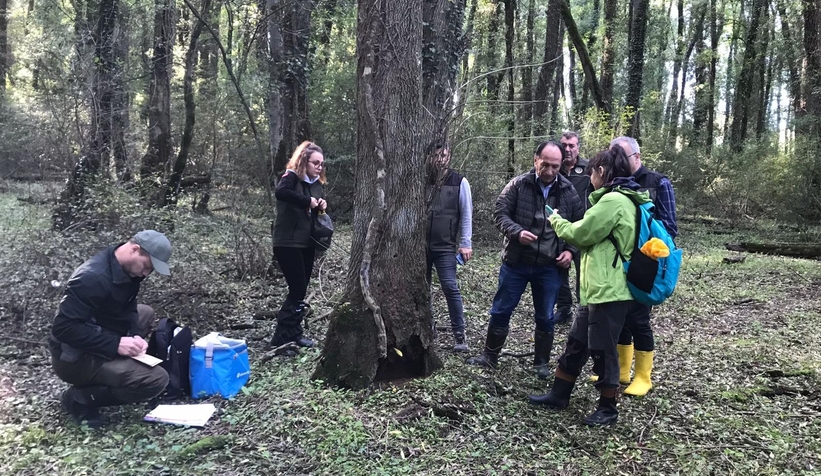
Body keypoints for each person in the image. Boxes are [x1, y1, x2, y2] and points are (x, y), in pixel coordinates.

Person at [529, 147, 651, 426]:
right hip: (598, 288)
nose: (589, 177)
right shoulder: (620, 198)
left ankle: (608, 408)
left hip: (610, 290)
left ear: (600, 172)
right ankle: (559, 394)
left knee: (602, 349)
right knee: (577, 342)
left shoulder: (614, 201)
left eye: (591, 172)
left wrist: (556, 220)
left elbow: (582, 234)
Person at [467, 141, 584, 378]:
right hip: (517, 262)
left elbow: (580, 225)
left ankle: (541, 363)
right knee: (501, 310)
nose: (550, 171)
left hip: (550, 266)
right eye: (545, 165)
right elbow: (499, 213)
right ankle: (489, 357)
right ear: (535, 160)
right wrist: (516, 232)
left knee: (545, 316)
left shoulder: (568, 191)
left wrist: (570, 251)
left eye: (555, 166)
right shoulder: (519, 185)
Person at [50, 230, 172, 427]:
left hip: (99, 333)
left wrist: (133, 336)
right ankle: (80, 398)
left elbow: (129, 308)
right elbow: (64, 329)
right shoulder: (91, 278)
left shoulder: (125, 269)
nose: (146, 274)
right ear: (135, 249)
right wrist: (116, 344)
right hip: (73, 359)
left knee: (145, 313)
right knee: (157, 379)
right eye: (147, 267)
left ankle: (116, 366)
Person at [609, 136, 678, 396]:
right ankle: (623, 370)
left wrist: (647, 247)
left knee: (639, 319)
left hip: (645, 261)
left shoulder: (658, 183)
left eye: (621, 155)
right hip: (618, 262)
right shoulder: (613, 184)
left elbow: (669, 228)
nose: (616, 160)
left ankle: (643, 376)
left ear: (637, 157)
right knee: (621, 317)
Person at [270, 141, 328, 350]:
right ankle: (283, 335)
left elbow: (312, 210)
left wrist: (320, 205)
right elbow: (281, 193)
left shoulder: (315, 184)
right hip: (287, 243)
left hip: (306, 243)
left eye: (321, 164)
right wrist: (307, 201)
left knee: (300, 290)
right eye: (315, 163)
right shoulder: (291, 177)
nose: (319, 167)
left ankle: (292, 333)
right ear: (304, 161)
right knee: (297, 289)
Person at [425, 140, 473, 352]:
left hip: (445, 246)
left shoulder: (459, 181)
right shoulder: (421, 181)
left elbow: (466, 215)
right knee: (421, 289)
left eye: (443, 155)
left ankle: (459, 335)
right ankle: (427, 329)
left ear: (449, 156)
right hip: (419, 247)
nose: (440, 159)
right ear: (429, 158)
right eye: (436, 155)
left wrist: (465, 243)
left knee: (450, 287)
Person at [555, 131, 593, 324]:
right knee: (559, 269)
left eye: (571, 145)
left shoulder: (589, 169)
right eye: (564, 145)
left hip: (583, 228)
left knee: (583, 271)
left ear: (578, 147)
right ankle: (563, 309)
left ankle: (583, 309)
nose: (567, 149)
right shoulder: (553, 167)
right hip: (558, 227)